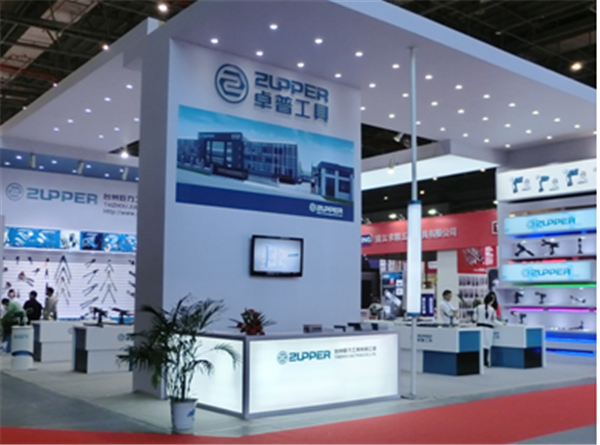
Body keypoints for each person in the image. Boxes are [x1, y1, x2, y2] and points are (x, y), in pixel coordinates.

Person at [474, 292, 505, 367]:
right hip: (488, 329)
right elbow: (494, 320)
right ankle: (485, 361)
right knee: (487, 345)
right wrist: (502, 324)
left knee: (480, 344)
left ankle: (479, 361)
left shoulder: (478, 308)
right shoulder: (492, 310)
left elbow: (474, 318)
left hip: (479, 328)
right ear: (491, 301)